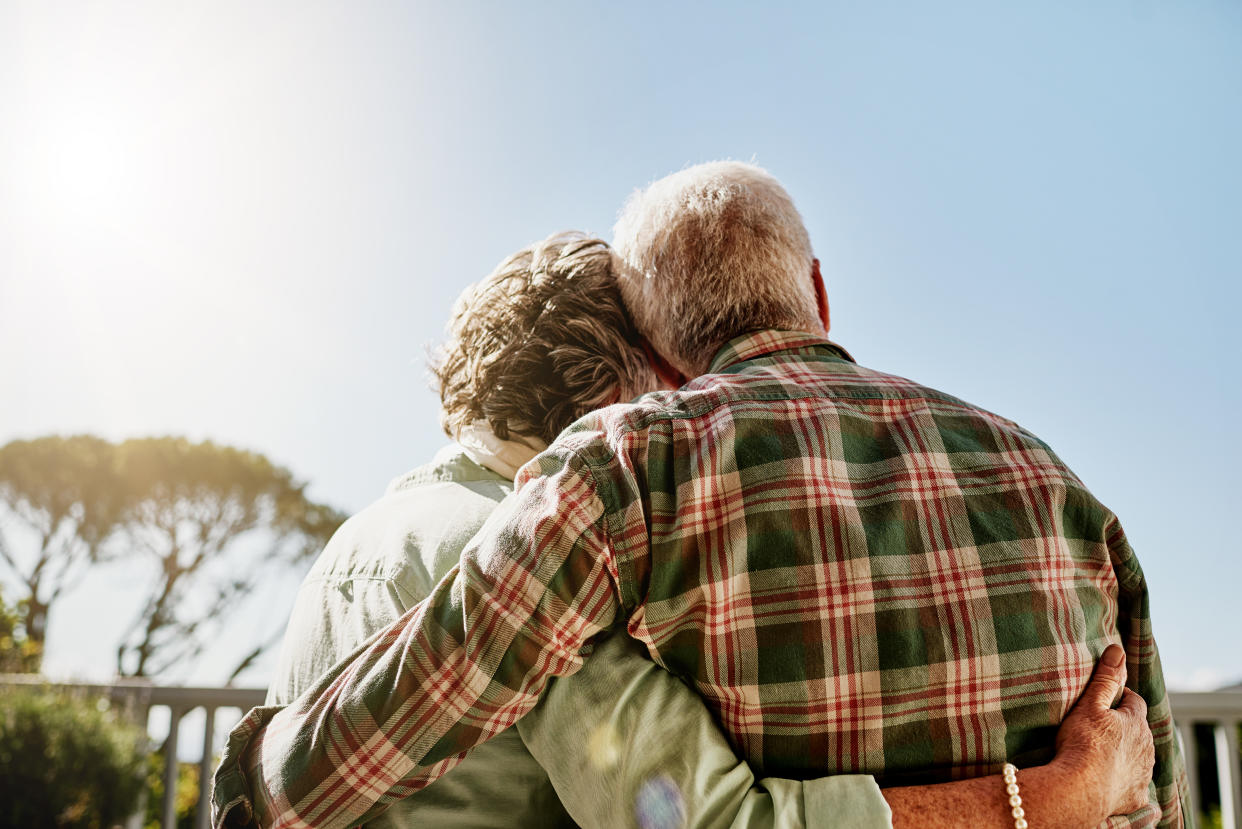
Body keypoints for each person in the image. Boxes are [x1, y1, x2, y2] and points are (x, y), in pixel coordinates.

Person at [215, 167, 1181, 827]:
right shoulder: (1054, 476)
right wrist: (1039, 802)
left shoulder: (355, 541)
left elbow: (319, 761)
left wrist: (254, 779)